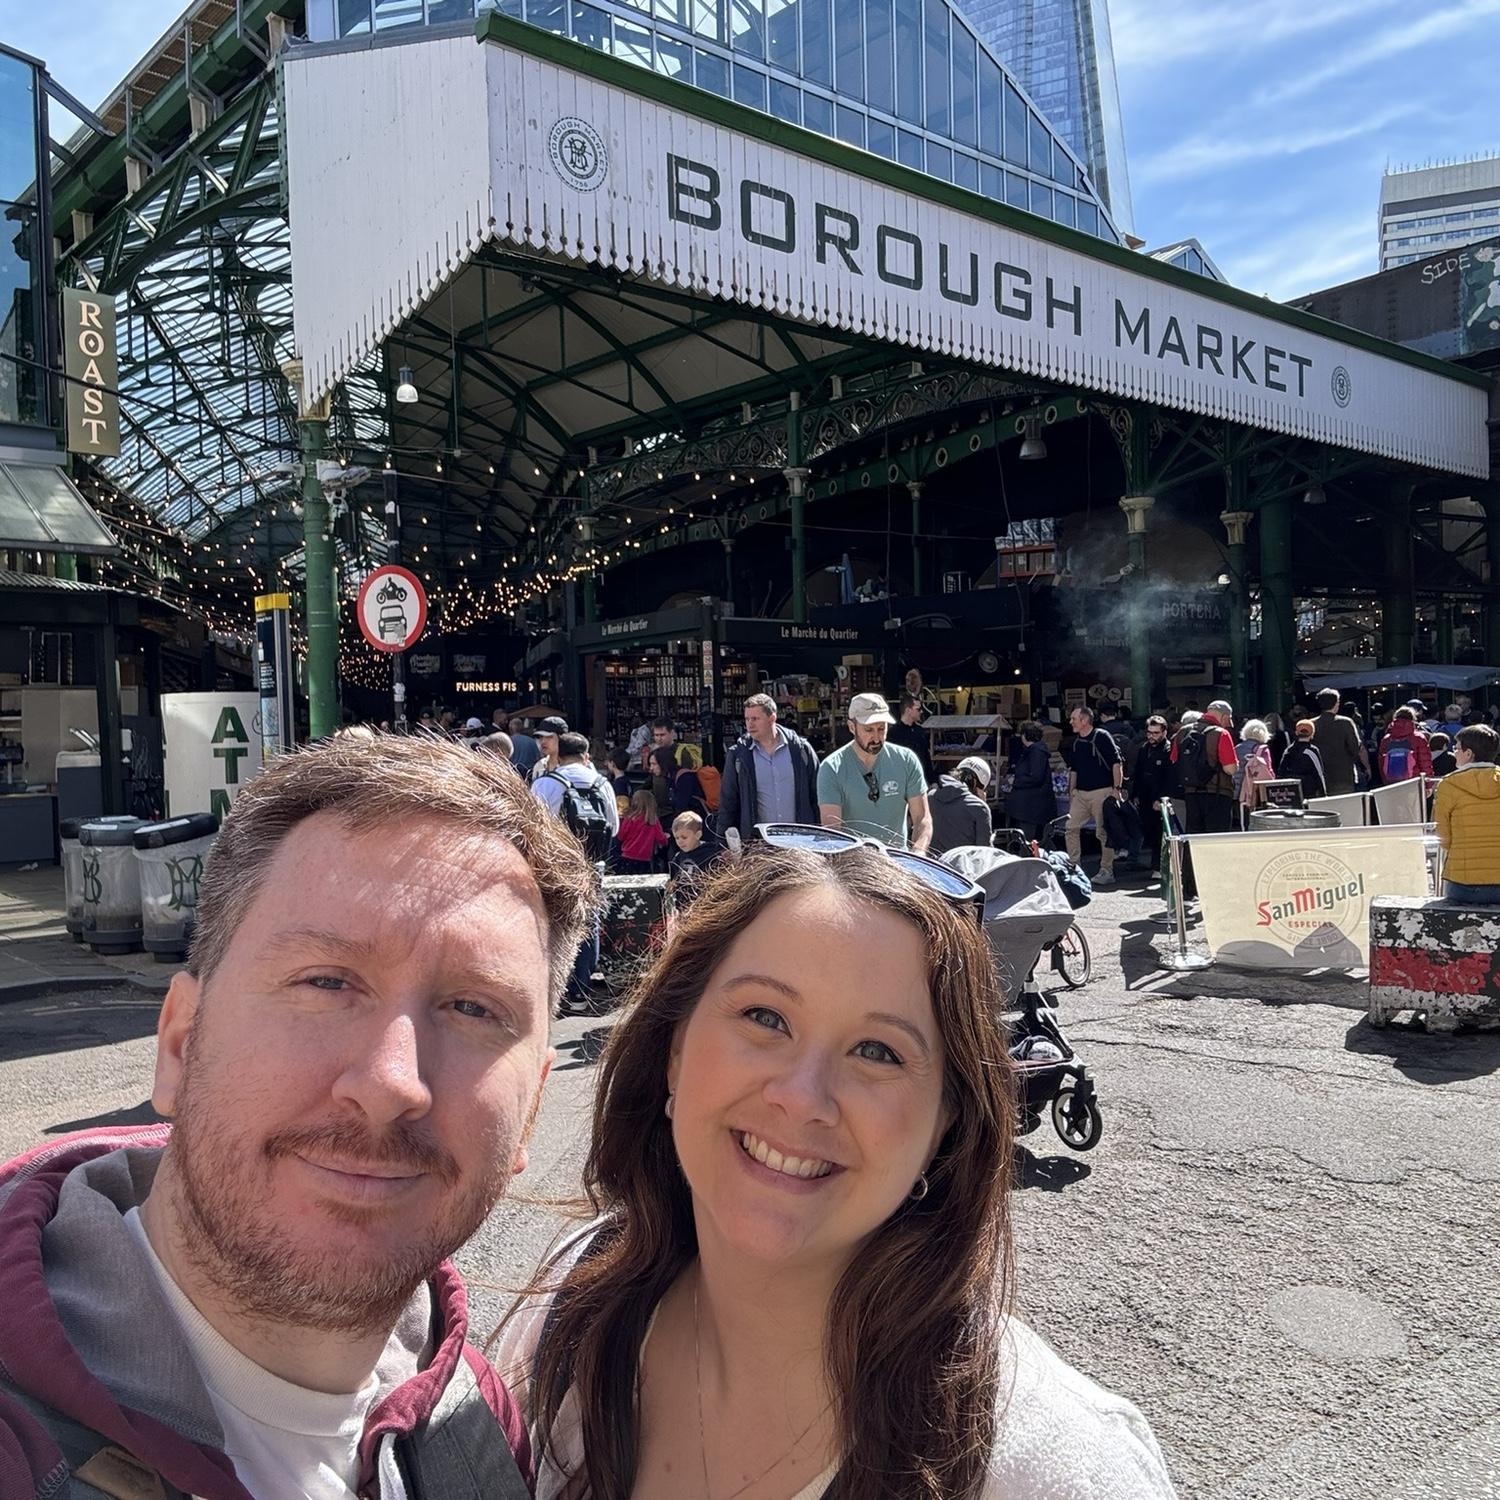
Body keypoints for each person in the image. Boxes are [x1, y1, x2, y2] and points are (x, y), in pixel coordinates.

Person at [0, 736, 597, 1500]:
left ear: (533, 1108)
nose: (391, 1083)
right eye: (326, 982)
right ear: (181, 1043)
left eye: (473, 1008)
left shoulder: (477, 1424)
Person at [493, 839, 1178, 1500]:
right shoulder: (574, 1300)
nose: (802, 1095)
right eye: (765, 1016)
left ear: (946, 1125)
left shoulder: (1053, 1467)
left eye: (877, 1051)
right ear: (673, 1050)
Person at [535, 732, 619, 1010]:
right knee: (588, 922)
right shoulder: (602, 783)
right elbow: (614, 827)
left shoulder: (546, 783)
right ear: (586, 756)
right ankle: (580, 990)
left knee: (553, 921)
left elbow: (532, 827)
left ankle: (553, 990)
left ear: (558, 756)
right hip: (592, 863)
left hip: (554, 862)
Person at [817, 693, 932, 850]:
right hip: (854, 867)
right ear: (852, 727)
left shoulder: (906, 760)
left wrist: (918, 853)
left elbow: (922, 818)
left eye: (881, 728)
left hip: (898, 864)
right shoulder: (832, 768)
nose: (877, 738)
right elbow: (832, 833)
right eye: (869, 730)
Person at [717, 692, 821, 841]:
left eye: (755, 719)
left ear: (772, 718)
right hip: (759, 845)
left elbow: (817, 796)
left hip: (799, 841)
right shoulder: (739, 756)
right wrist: (723, 843)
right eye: (747, 719)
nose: (749, 724)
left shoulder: (801, 750)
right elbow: (728, 803)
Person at [1433, 724, 1500, 903]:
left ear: (1469, 754)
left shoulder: (1448, 785)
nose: (1454, 752)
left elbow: (1443, 838)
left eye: (1457, 748)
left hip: (1463, 882)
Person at [1064, 705, 1122, 888]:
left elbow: (1116, 762)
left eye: (1074, 718)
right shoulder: (1075, 742)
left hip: (1102, 791)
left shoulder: (1102, 736)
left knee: (1102, 832)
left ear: (1084, 720)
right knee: (1070, 827)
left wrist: (1116, 788)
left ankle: (1107, 870)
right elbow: (1074, 768)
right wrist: (1071, 791)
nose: (1070, 722)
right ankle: (1074, 866)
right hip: (1080, 794)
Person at [1170, 700, 1238, 836]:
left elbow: (1174, 760)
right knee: (1216, 840)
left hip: (1191, 794)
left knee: (1195, 840)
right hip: (1218, 794)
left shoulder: (1182, 732)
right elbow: (1230, 769)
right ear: (1224, 717)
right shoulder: (1222, 734)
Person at [1128, 715, 1177, 870]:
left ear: (1164, 732)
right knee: (1148, 830)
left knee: (1159, 832)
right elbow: (1139, 771)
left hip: (1159, 797)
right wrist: (1135, 794)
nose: (1152, 736)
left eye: (1156, 733)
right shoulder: (1144, 749)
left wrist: (1161, 798)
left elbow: (1170, 777)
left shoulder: (1168, 750)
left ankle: (1159, 865)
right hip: (1144, 796)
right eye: (1149, 732)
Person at [928, 755, 993, 855]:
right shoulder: (979, 808)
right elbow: (984, 853)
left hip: (929, 866)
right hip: (962, 869)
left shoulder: (931, 796)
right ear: (976, 783)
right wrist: (983, 803)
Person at [1004, 721, 1056, 843]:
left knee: (1030, 842)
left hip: (1032, 808)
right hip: (1031, 807)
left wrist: (1015, 781)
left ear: (1025, 735)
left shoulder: (1036, 753)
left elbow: (1036, 777)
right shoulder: (1034, 751)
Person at [1311, 688, 1369, 796]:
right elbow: (1355, 748)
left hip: (1319, 777)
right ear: (1336, 703)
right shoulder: (1346, 722)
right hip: (1343, 776)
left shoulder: (1311, 724)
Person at [667, 810, 717, 905]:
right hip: (684, 904)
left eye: (684, 837)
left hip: (705, 902)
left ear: (698, 835)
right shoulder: (678, 858)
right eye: (677, 838)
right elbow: (674, 879)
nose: (680, 841)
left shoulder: (710, 853)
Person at [654, 744, 711, 826]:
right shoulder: (670, 778)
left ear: (663, 763)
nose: (651, 768)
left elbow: (681, 807)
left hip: (697, 824)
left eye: (654, 764)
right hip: (687, 823)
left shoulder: (685, 778)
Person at [617, 788, 669, 874]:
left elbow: (621, 836)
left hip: (627, 856)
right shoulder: (653, 820)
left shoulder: (629, 818)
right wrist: (665, 841)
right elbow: (661, 838)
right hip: (645, 858)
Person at [886, 691, 935, 785]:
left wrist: (933, 781)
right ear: (908, 710)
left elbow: (926, 757)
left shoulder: (920, 731)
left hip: (921, 780)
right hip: (901, 781)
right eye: (918, 709)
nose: (921, 711)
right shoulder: (893, 733)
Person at [1376, 706, 1434, 783]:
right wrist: (1428, 784)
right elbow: (1425, 763)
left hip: (1392, 783)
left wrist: (1385, 780)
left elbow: (1381, 763)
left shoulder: (1386, 739)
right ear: (1413, 719)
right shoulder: (1419, 738)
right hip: (1414, 782)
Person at [1278, 719, 1327, 801]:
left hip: (1291, 790)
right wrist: (1323, 793)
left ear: (1297, 733)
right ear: (1312, 734)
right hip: (1309, 790)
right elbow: (1319, 773)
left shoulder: (1288, 750)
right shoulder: (1312, 751)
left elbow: (1281, 772)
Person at [1236, 719, 1275, 823]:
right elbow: (1268, 771)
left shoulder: (1236, 748)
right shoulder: (1263, 749)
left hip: (1238, 792)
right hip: (1255, 792)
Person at [497, 708, 542, 778]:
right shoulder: (532, 741)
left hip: (512, 776)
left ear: (510, 728)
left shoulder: (506, 742)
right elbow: (538, 759)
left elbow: (502, 760)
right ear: (522, 728)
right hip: (529, 775)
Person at [529, 716, 569, 783]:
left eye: (549, 737)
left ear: (561, 738)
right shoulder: (539, 766)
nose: (543, 741)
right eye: (540, 737)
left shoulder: (573, 766)